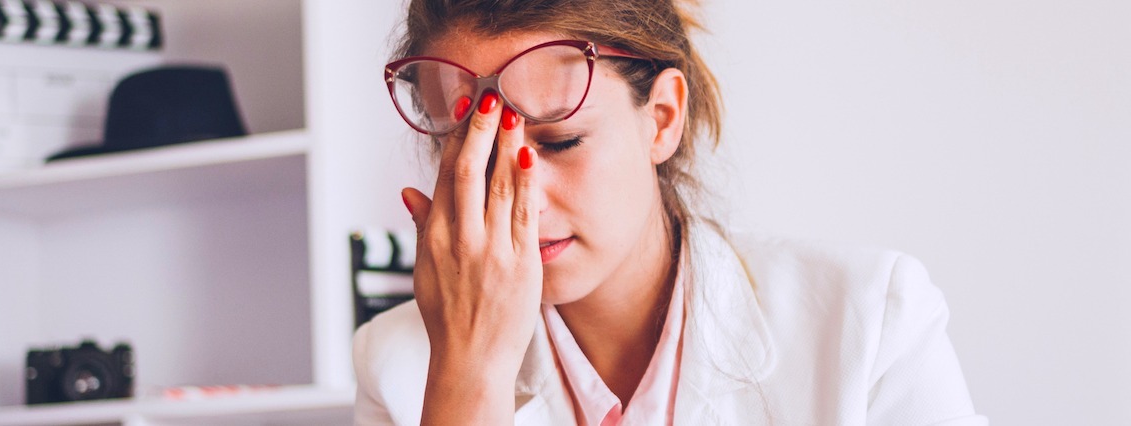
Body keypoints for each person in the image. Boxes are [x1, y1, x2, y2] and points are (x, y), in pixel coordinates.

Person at [354, 0, 987, 424]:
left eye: (562, 141)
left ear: (662, 119)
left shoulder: (872, 325)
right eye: (476, 153)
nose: (524, 197)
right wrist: (472, 377)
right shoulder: (397, 365)